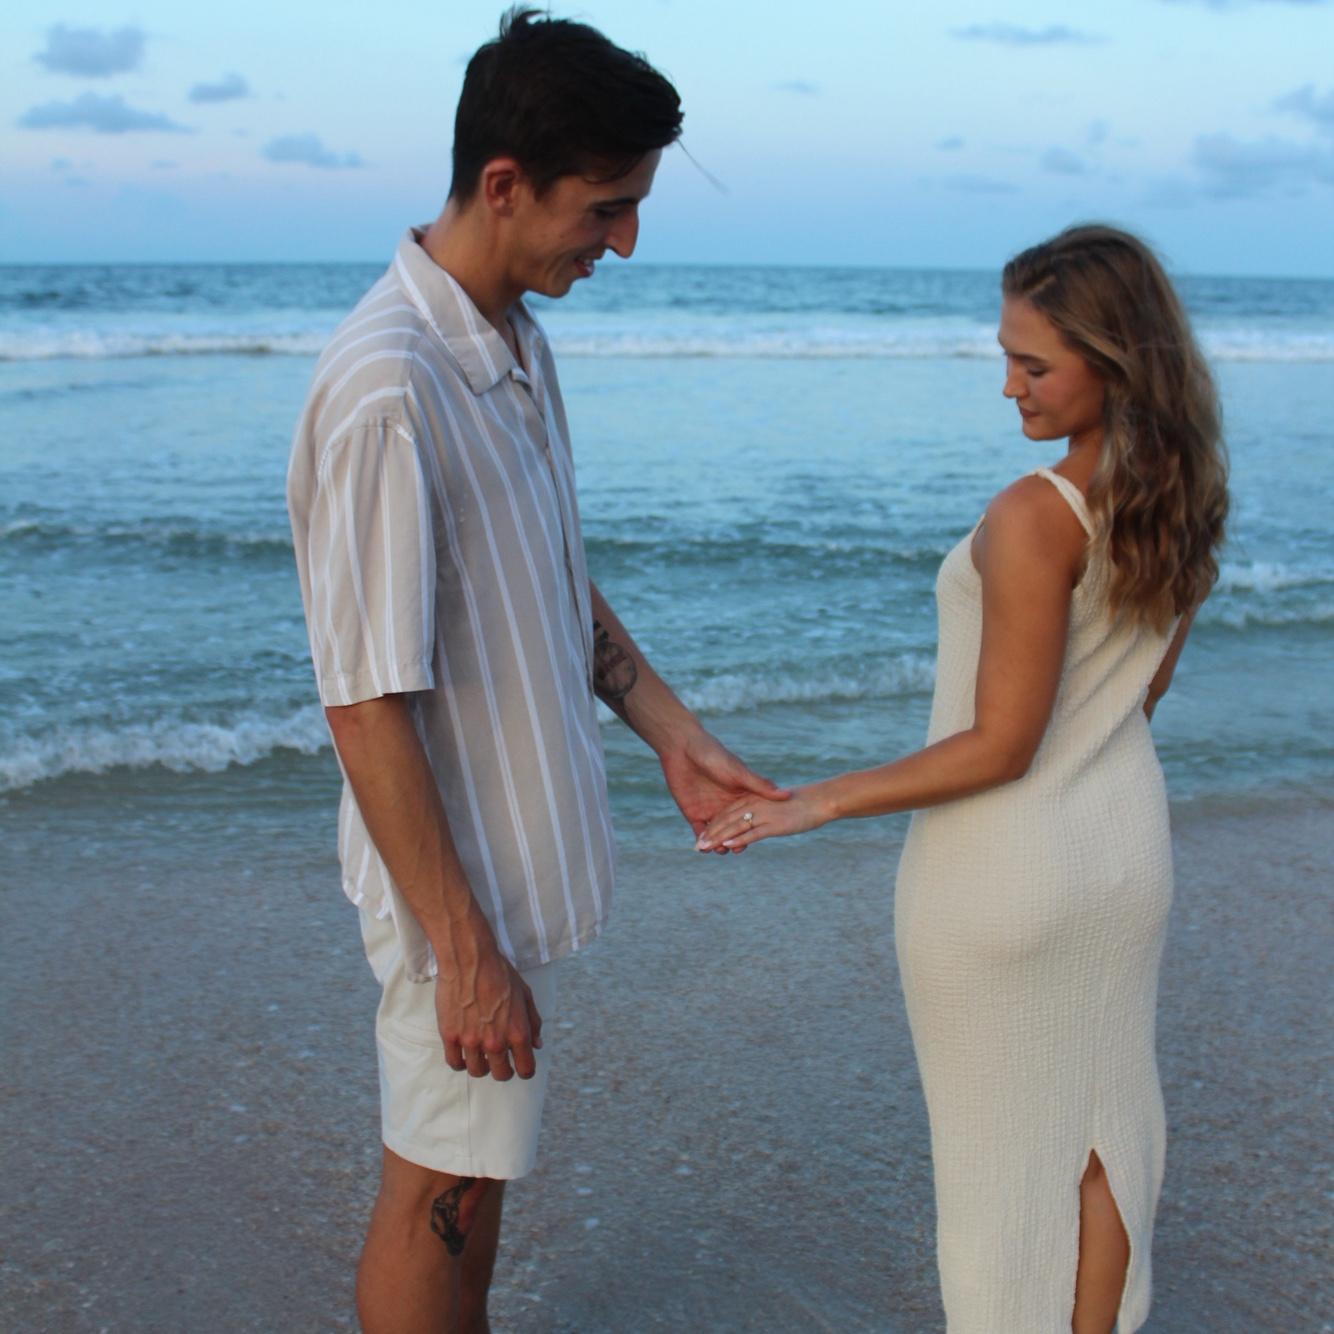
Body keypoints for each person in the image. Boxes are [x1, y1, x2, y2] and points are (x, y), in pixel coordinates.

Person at [286, 10, 784, 1330]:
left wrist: (670, 731)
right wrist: (463, 950)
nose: (623, 243)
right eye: (606, 207)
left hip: (497, 881)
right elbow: (362, 698)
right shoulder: (389, 390)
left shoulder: (509, 340)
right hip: (450, 894)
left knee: (475, 1165)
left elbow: (547, 572)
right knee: (435, 1186)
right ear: (504, 183)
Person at [698, 224, 1228, 1332]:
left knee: (997, 1173)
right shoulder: (1177, 499)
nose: (1008, 386)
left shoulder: (1034, 512)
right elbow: (1139, 695)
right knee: (1107, 1126)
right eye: (1005, 358)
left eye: (1032, 364)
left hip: (1003, 875)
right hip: (1122, 854)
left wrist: (814, 801)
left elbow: (1000, 745)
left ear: (1113, 362)